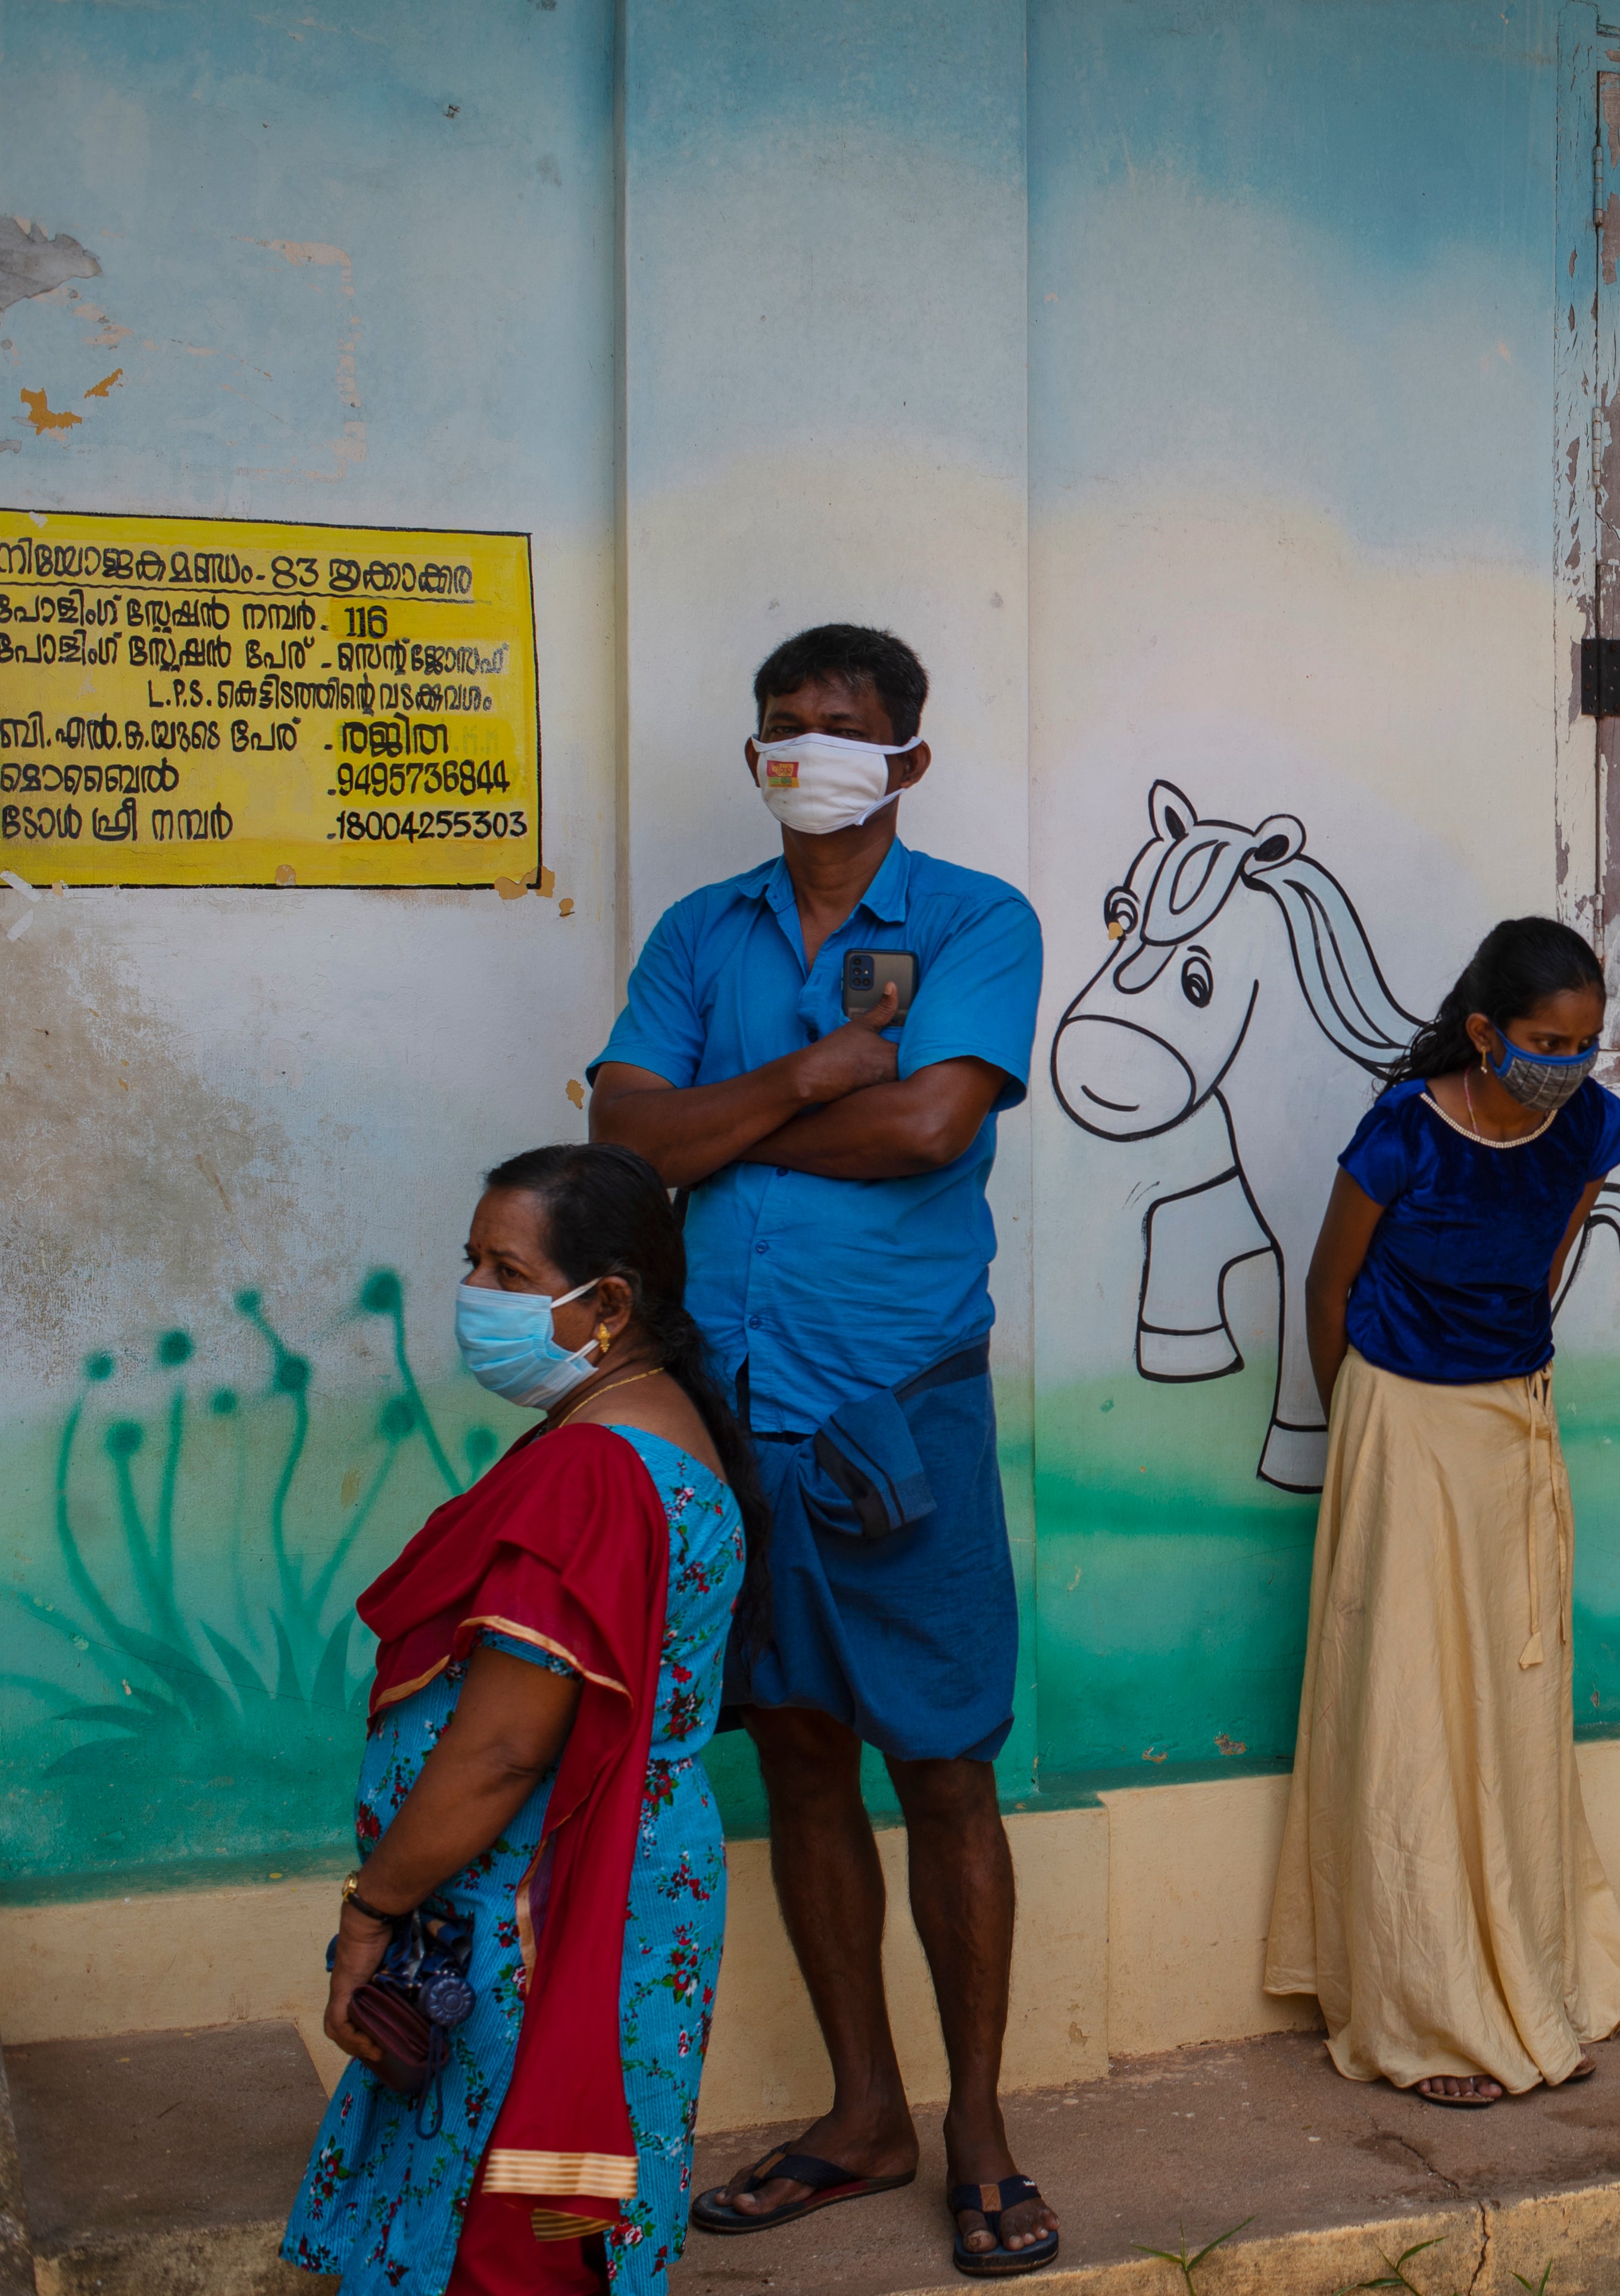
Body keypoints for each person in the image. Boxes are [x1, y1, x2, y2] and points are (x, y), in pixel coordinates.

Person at [585, 625, 1056, 2275]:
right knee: (792, 1749)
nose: (808, 752)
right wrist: (809, 1074)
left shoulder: (979, 921)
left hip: (895, 1400)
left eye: (840, 729)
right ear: (755, 755)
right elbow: (621, 1136)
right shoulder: (699, 933)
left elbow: (935, 1122)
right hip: (730, 1400)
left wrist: (724, 1114)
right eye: (781, 728)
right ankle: (863, 2115)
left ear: (905, 760)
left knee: (942, 1765)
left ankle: (978, 2124)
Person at [284, 1142, 757, 2296]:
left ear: (607, 1301)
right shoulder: (649, 1422)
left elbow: (501, 1748)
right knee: (540, 2209)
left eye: (505, 1269)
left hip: (542, 1903)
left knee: (504, 2225)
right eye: (472, 1263)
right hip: (603, 1880)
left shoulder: (594, 1467)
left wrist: (370, 1912)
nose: (476, 1296)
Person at [1266, 917, 1620, 2107]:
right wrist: (1361, 1416)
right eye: (1548, 1039)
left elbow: (1543, 1261)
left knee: (1506, 1692)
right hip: (1399, 1422)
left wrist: (1502, 1378)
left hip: (1510, 1420)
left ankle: (1528, 1965)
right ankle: (1427, 2010)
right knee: (1406, 1699)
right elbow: (1329, 1278)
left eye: (1590, 1040)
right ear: (1488, 1030)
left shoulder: (1592, 1123)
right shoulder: (1405, 1129)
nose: (1571, 1060)